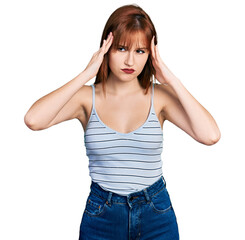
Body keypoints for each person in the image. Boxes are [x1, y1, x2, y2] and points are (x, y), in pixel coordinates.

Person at [24, 4, 221, 240]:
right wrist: (86, 73)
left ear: (151, 55)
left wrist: (171, 79)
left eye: (140, 51)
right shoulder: (86, 98)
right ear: (106, 49)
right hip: (102, 215)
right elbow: (33, 120)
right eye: (121, 48)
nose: (130, 61)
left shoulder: (159, 98)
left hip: (156, 213)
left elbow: (210, 135)